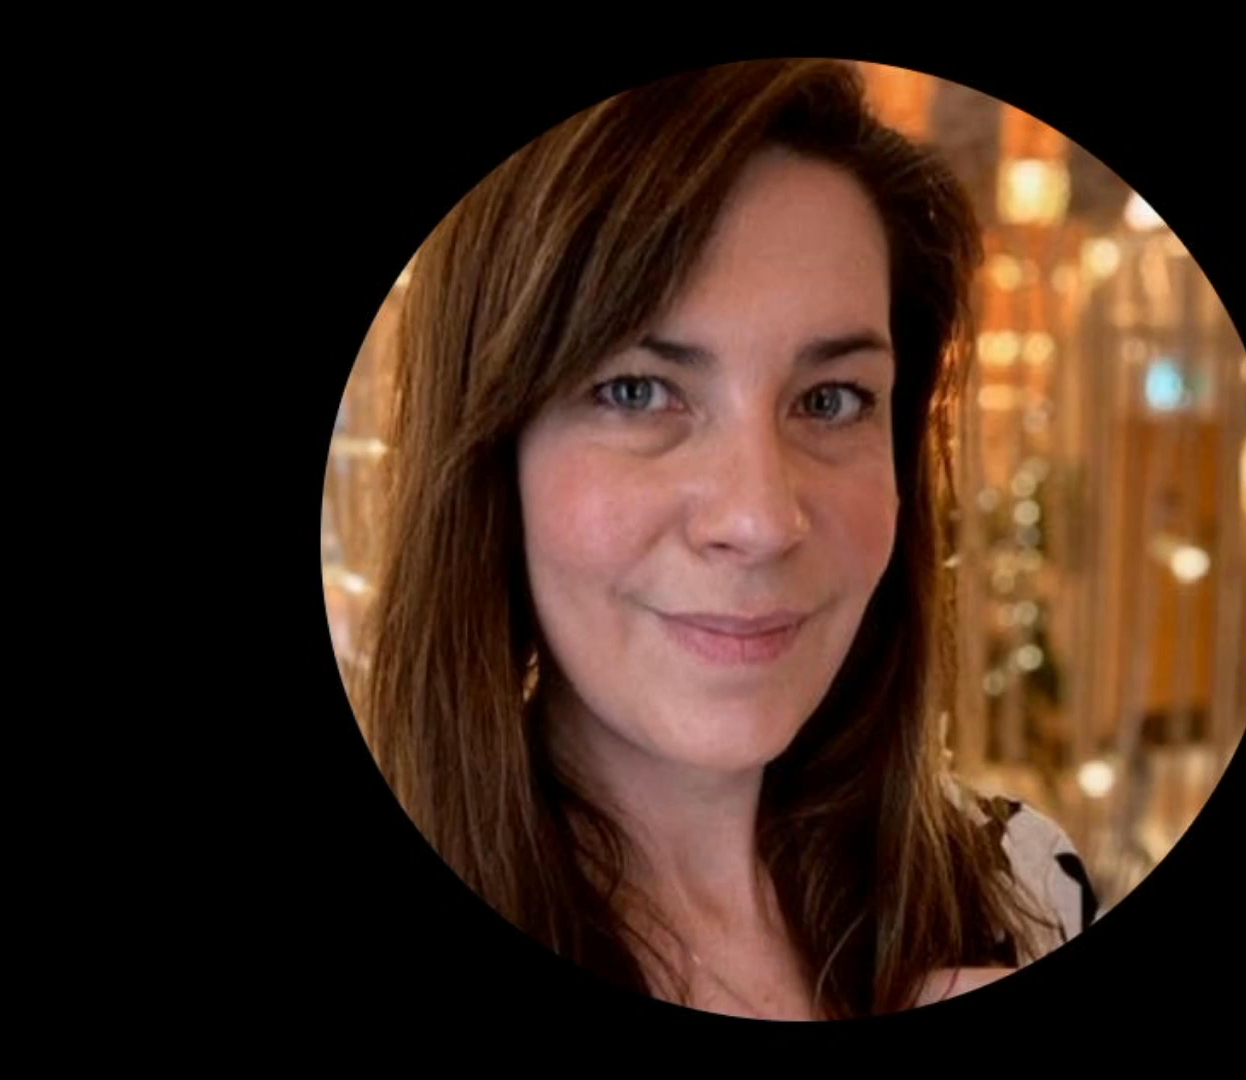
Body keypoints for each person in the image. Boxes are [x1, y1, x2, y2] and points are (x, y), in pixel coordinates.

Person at [358, 58, 1096, 1021]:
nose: (760, 519)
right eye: (637, 392)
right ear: (495, 463)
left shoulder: (1025, 890)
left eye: (831, 401)